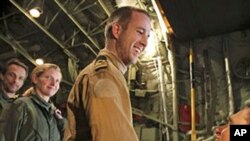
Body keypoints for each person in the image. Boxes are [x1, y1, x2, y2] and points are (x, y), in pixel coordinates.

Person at [64, 6, 151, 141]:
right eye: (140, 32)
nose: (145, 42)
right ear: (117, 30)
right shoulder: (104, 75)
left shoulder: (109, 73)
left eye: (148, 36)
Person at [0, 63, 65, 141]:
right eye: (48, 77)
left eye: (57, 80)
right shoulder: (21, 105)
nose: (53, 83)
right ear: (35, 78)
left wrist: (61, 122)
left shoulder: (54, 115)